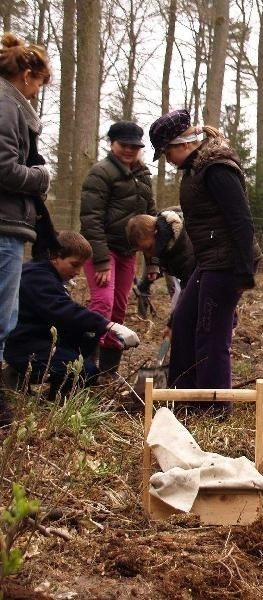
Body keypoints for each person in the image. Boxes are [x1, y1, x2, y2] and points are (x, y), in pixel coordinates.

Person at [148, 109, 261, 411]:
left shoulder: (217, 168)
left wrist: (244, 272)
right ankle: (181, 397)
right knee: (184, 321)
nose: (168, 160)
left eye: (166, 152)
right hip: (209, 260)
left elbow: (241, 221)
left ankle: (213, 409)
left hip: (228, 263)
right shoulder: (196, 168)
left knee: (211, 334)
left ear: (182, 143)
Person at [3, 231, 140, 402]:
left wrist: (97, 332)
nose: (78, 272)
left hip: (41, 340)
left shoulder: (48, 275)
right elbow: (63, 310)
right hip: (24, 347)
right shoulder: (36, 276)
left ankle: (52, 394)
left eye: (81, 266)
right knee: (84, 371)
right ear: (55, 257)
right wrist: (109, 325)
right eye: (74, 265)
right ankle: (22, 379)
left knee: (87, 336)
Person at [0, 32, 57, 425]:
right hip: (4, 224)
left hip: (9, 224)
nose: (37, 93)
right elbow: (4, 168)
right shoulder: (6, 104)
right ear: (27, 74)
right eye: (38, 84)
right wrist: (40, 176)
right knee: (2, 318)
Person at [80, 121, 155, 378]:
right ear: (112, 144)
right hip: (102, 249)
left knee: (119, 308)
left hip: (127, 252)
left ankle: (109, 370)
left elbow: (151, 221)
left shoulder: (144, 176)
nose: (129, 150)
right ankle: (85, 364)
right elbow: (91, 218)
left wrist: (153, 261)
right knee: (103, 302)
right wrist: (101, 260)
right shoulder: (100, 173)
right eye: (124, 145)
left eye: (134, 146)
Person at [126, 208, 195, 323]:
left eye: (148, 248)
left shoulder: (183, 247)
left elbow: (188, 291)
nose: (148, 254)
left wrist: (172, 324)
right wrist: (153, 267)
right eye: (143, 251)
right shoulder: (163, 240)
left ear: (157, 233)